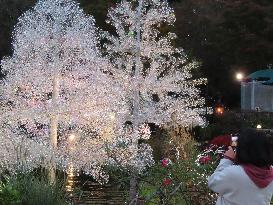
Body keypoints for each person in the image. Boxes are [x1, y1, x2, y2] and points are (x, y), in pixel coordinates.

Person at [208, 129, 273, 205]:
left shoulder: (234, 172)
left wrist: (227, 160)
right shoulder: (271, 172)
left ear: (243, 149)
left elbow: (213, 183)